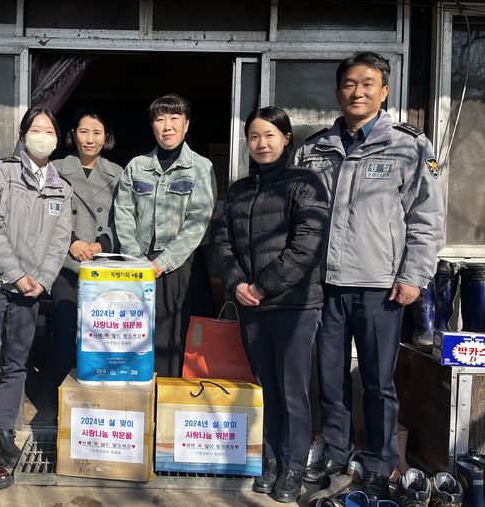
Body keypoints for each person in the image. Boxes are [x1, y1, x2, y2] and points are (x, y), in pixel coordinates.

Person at [294, 52, 444, 500]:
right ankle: (337, 454)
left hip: (382, 286)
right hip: (326, 284)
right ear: (338, 91)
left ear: (384, 91)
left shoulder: (410, 145)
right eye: (348, 84)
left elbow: (427, 218)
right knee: (332, 377)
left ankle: (379, 463)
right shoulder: (315, 148)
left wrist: (414, 275)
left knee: (379, 382)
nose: (356, 92)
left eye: (367, 83)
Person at [212, 107, 329, 503]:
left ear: (286, 138)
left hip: (294, 306)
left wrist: (262, 286)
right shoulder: (241, 189)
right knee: (265, 387)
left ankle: (294, 466)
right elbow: (222, 242)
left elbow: (307, 244)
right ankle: (271, 460)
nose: (261, 144)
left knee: (293, 389)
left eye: (269, 135)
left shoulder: (306, 183)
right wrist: (236, 283)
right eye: (254, 137)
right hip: (251, 305)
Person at [0, 106, 72, 468]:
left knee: (16, 363)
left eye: (49, 130)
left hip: (30, 289)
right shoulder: (1, 172)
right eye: (36, 129)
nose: (42, 135)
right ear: (23, 134)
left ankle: (4, 430)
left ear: (58, 139)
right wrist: (15, 273)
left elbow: (60, 241)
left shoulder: (62, 187)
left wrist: (42, 279)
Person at [114, 93, 217, 377]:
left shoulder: (200, 167)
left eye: (174, 119)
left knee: (174, 338)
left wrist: (164, 262)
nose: (167, 126)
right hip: (139, 265)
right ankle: (140, 401)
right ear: (153, 126)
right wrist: (136, 259)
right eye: (160, 119)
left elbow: (198, 220)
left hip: (180, 265)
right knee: (135, 335)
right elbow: (122, 214)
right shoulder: (136, 166)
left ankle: (167, 405)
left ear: (186, 125)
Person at [50, 109, 123, 390]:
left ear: (106, 138)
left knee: (101, 332)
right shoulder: (55, 169)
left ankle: (98, 396)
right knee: (67, 331)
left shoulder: (118, 174)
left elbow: (126, 218)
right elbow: (47, 215)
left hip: (103, 264)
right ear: (73, 135)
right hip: (66, 264)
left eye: (97, 132)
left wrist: (102, 244)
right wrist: (72, 241)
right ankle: (60, 398)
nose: (90, 139)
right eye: (84, 131)